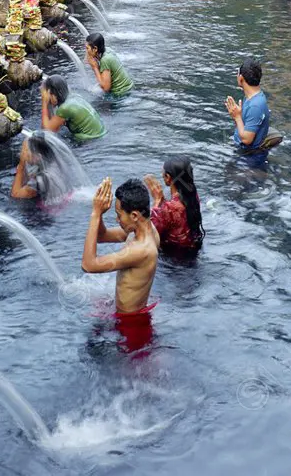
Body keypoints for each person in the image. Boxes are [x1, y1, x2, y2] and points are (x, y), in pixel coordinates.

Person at [82, 177, 159, 350]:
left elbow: (88, 265)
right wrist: (100, 214)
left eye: (119, 215)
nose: (117, 220)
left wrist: (95, 214)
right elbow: (102, 236)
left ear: (134, 215)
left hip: (131, 325)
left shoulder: (141, 250)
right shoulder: (143, 230)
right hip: (127, 316)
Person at [144, 156, 204, 254]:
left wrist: (157, 201)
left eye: (163, 173)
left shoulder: (169, 208)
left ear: (168, 177)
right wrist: (163, 201)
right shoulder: (193, 195)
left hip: (174, 259)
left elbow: (149, 235)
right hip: (193, 249)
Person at [41, 75, 106, 142]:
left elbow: (47, 131)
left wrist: (44, 101)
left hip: (90, 140)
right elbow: (55, 126)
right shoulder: (74, 96)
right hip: (101, 134)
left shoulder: (65, 109)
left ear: (54, 94)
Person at [225, 58, 270, 152]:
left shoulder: (255, 106)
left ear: (241, 78)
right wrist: (237, 115)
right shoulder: (252, 97)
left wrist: (237, 117)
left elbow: (247, 140)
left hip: (249, 157)